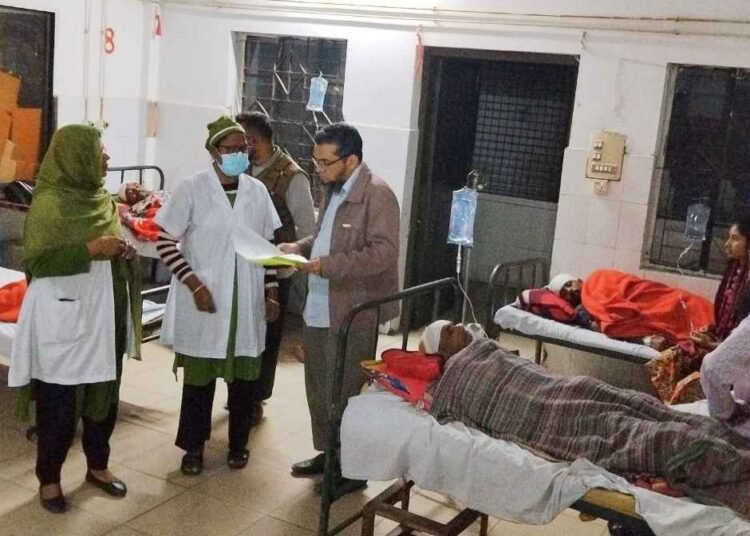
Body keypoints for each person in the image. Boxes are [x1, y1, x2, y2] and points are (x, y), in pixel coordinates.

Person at [9, 124, 141, 513]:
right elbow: (37, 262)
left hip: (104, 313)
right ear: (77, 157)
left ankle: (98, 466)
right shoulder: (50, 205)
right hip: (63, 315)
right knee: (59, 406)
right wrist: (91, 249)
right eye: (100, 152)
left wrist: (122, 251)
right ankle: (49, 479)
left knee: (103, 396)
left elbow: (110, 246)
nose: (107, 158)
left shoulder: (100, 199)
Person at [154, 116, 281, 476]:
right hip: (205, 299)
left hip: (245, 300)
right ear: (213, 151)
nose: (240, 154)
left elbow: (267, 245)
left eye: (244, 148)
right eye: (231, 149)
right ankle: (193, 447)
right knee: (199, 380)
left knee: (243, 383)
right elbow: (164, 241)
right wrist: (193, 283)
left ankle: (238, 444)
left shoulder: (257, 192)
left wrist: (271, 290)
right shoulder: (192, 188)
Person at [279, 122, 400, 497]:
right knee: (319, 386)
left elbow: (383, 253)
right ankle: (328, 454)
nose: (319, 169)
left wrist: (327, 265)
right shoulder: (333, 189)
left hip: (353, 310)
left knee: (347, 390)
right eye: (315, 161)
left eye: (326, 162)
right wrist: (298, 248)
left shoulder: (377, 195)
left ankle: (352, 469)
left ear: (351, 160)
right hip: (320, 303)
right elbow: (324, 238)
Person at [235, 111, 315, 424]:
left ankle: (256, 397)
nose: (237, 148)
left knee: (267, 337)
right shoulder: (241, 168)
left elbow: (307, 227)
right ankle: (239, 390)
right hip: (242, 265)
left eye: (241, 141)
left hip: (275, 268)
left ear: (253, 141)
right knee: (242, 331)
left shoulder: (292, 176)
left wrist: (292, 257)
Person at [648, 216, 750, 404]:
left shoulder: (747, 284)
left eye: (735, 239)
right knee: (667, 359)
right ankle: (666, 411)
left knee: (684, 376)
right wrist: (709, 331)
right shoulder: (734, 272)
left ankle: (678, 412)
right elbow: (725, 322)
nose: (727, 244)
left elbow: (743, 344)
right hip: (721, 343)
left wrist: (711, 344)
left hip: (734, 358)